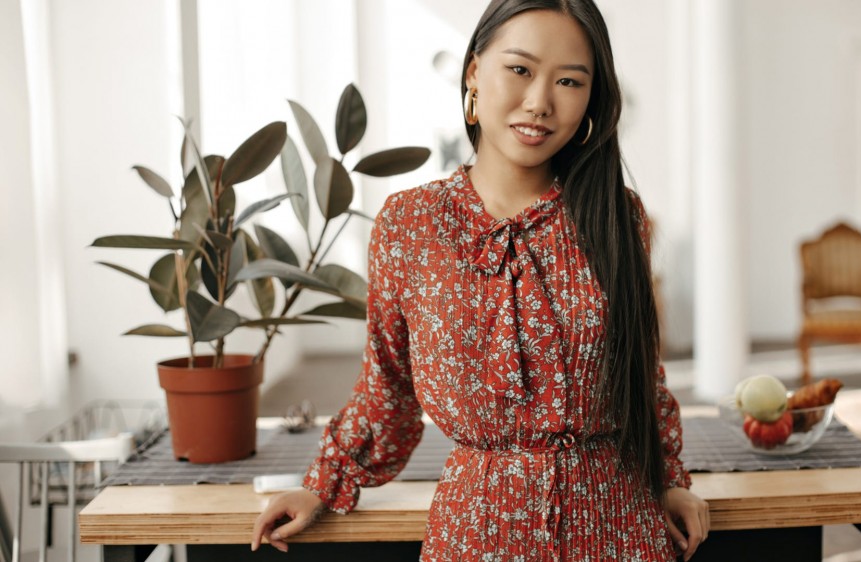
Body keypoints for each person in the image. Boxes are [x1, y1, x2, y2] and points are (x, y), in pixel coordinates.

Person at [251, 0, 710, 559]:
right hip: (477, 531)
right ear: (473, 72)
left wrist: (671, 478)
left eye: (569, 80)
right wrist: (322, 483)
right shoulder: (410, 225)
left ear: (592, 98)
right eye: (519, 69)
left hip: (616, 526)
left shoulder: (618, 215)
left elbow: (643, 375)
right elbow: (387, 388)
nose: (539, 102)